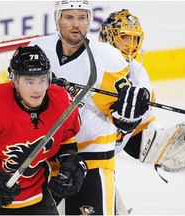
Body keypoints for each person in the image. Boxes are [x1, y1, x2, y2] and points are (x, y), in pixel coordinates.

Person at [29, 1, 151, 215]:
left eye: (82, 18)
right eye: (68, 17)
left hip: (91, 161)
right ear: (57, 20)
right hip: (42, 159)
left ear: (89, 21)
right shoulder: (38, 49)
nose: (76, 24)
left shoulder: (106, 58)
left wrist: (130, 114)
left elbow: (122, 119)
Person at [0, 45, 87, 215]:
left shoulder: (62, 101)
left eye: (42, 79)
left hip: (34, 200)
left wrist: (69, 161)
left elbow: (66, 139)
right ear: (14, 80)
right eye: (29, 81)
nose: (38, 89)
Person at [99, 9, 185, 214]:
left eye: (134, 39)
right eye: (124, 37)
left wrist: (160, 143)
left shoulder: (139, 74)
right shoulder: (93, 67)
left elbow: (142, 123)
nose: (130, 45)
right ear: (108, 37)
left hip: (102, 163)